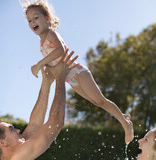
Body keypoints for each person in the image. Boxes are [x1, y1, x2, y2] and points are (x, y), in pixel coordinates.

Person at [19, 0, 134, 144]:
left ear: (47, 18)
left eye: (36, 17)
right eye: (29, 20)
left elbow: (60, 51)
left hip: (77, 72)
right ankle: (123, 116)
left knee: (100, 100)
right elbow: (55, 63)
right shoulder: (41, 44)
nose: (32, 22)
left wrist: (39, 64)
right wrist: (47, 70)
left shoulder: (51, 34)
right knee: (96, 102)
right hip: (69, 78)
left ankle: (126, 124)